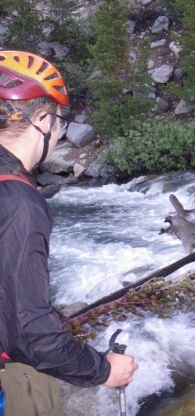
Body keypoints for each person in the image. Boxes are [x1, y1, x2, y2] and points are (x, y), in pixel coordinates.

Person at [0, 51, 138, 415]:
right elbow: (33, 338)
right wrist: (104, 369)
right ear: (43, 120)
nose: (60, 130)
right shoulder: (19, 204)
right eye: (60, 121)